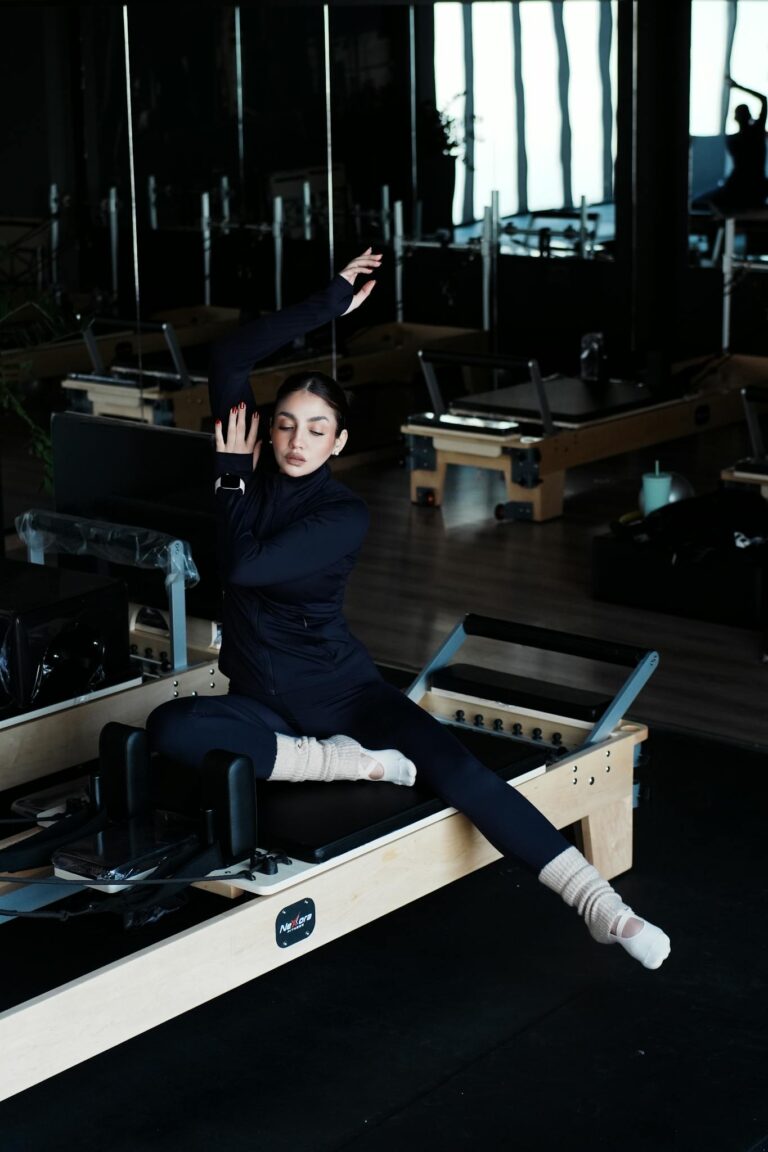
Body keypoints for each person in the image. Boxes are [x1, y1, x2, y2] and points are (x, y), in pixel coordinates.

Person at [147, 250, 670, 970]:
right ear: (268, 429)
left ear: (341, 441)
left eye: (317, 429)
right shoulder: (252, 471)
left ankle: (600, 908)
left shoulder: (341, 513)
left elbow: (244, 566)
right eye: (287, 425)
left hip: (347, 696)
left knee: (459, 771)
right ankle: (347, 767)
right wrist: (329, 303)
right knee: (169, 726)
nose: (299, 441)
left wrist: (230, 476)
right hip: (264, 708)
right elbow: (228, 352)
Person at [693, 76, 767, 214]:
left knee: (699, 204)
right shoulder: (755, 134)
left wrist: (737, 87)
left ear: (736, 117)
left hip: (738, 186)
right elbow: (763, 100)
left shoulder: (737, 139)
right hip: (755, 187)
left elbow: (764, 100)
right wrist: (738, 87)